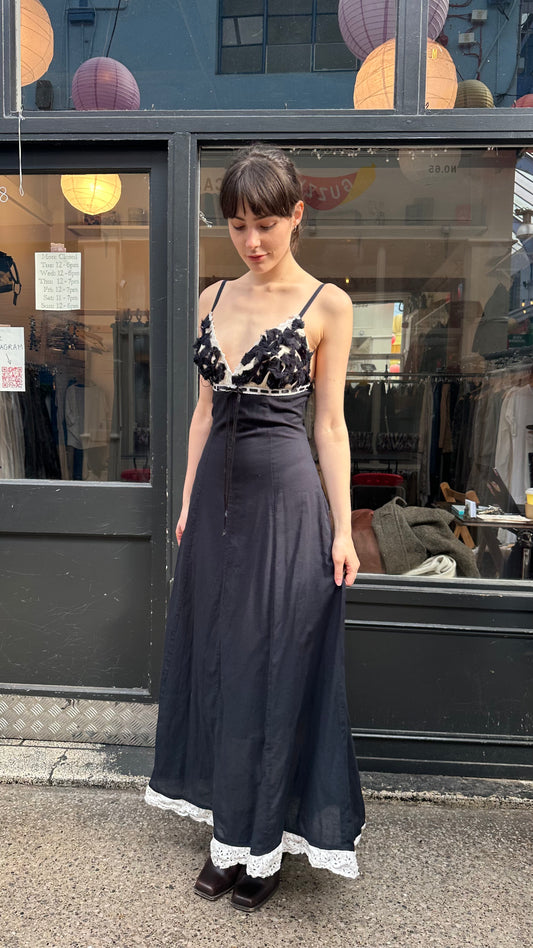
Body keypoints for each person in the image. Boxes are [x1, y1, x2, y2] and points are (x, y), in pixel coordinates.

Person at [145, 143, 365, 912]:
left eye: (265, 224)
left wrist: (342, 531)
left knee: (273, 669)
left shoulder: (327, 305)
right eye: (237, 225)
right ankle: (225, 837)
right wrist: (185, 502)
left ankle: (263, 850)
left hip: (287, 508)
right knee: (216, 661)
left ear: (296, 215)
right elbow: (204, 411)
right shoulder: (211, 296)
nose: (251, 240)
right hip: (215, 508)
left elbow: (329, 427)